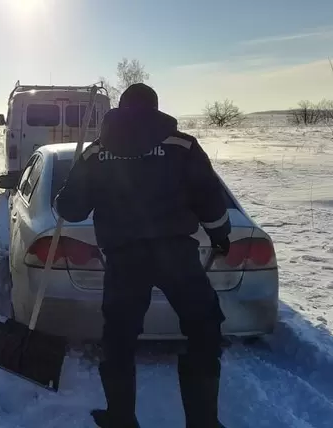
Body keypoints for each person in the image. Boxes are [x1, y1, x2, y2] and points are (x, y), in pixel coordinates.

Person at [55, 83, 230, 427]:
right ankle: (204, 422)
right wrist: (220, 234)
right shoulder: (183, 146)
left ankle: (120, 418)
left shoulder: (96, 152)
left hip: (124, 259)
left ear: (121, 109)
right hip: (176, 255)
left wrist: (65, 196)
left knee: (119, 339)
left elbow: (72, 210)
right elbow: (209, 197)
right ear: (155, 109)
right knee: (204, 329)